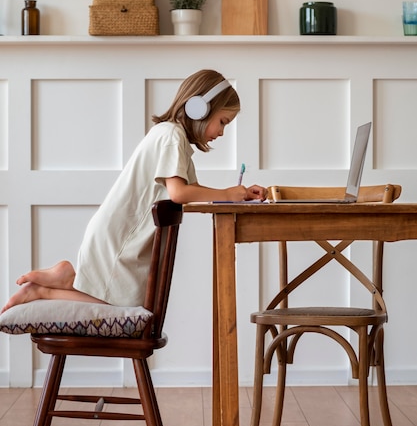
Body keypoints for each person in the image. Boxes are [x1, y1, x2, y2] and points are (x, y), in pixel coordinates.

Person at [1, 69, 267, 314]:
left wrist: (237, 194)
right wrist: (228, 194)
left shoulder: (173, 139)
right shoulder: (170, 137)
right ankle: (43, 291)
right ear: (198, 109)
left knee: (122, 300)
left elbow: (191, 191)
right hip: (119, 241)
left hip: (118, 238)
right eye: (222, 122)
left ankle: (67, 277)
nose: (221, 132)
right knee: (121, 306)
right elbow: (178, 193)